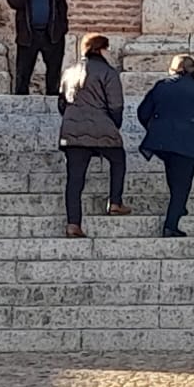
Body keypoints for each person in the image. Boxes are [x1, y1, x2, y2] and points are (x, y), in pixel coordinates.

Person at [137, 54, 194, 238]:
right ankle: (171, 224)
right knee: (182, 185)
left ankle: (179, 207)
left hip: (163, 143)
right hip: (188, 142)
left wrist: (155, 128)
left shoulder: (161, 86)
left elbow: (143, 111)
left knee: (174, 177)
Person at [57, 33, 129, 238]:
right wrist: (114, 124)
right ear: (101, 49)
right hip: (102, 126)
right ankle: (115, 201)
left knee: (74, 180)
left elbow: (61, 102)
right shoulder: (108, 72)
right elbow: (116, 105)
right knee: (118, 159)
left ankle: (73, 223)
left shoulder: (69, 71)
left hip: (72, 131)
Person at [6, 0, 70, 95]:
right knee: (23, 73)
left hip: (51, 34)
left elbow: (62, 6)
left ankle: (53, 103)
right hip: (28, 35)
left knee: (54, 73)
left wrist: (62, 28)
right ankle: (21, 104)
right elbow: (14, 2)